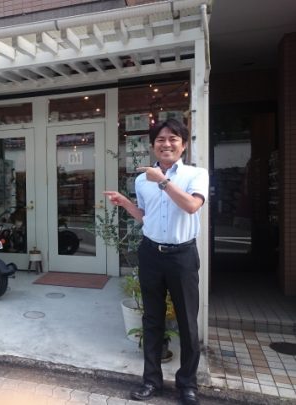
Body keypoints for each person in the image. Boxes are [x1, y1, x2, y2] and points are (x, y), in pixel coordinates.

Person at [104, 119, 209, 405]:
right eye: (160, 139)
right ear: (152, 146)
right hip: (151, 253)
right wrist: (125, 203)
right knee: (152, 319)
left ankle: (187, 385)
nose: (166, 144)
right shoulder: (142, 181)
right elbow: (146, 217)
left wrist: (162, 181)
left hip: (182, 256)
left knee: (187, 322)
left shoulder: (196, 174)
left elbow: (191, 206)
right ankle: (151, 381)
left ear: (183, 145)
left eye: (173, 138)